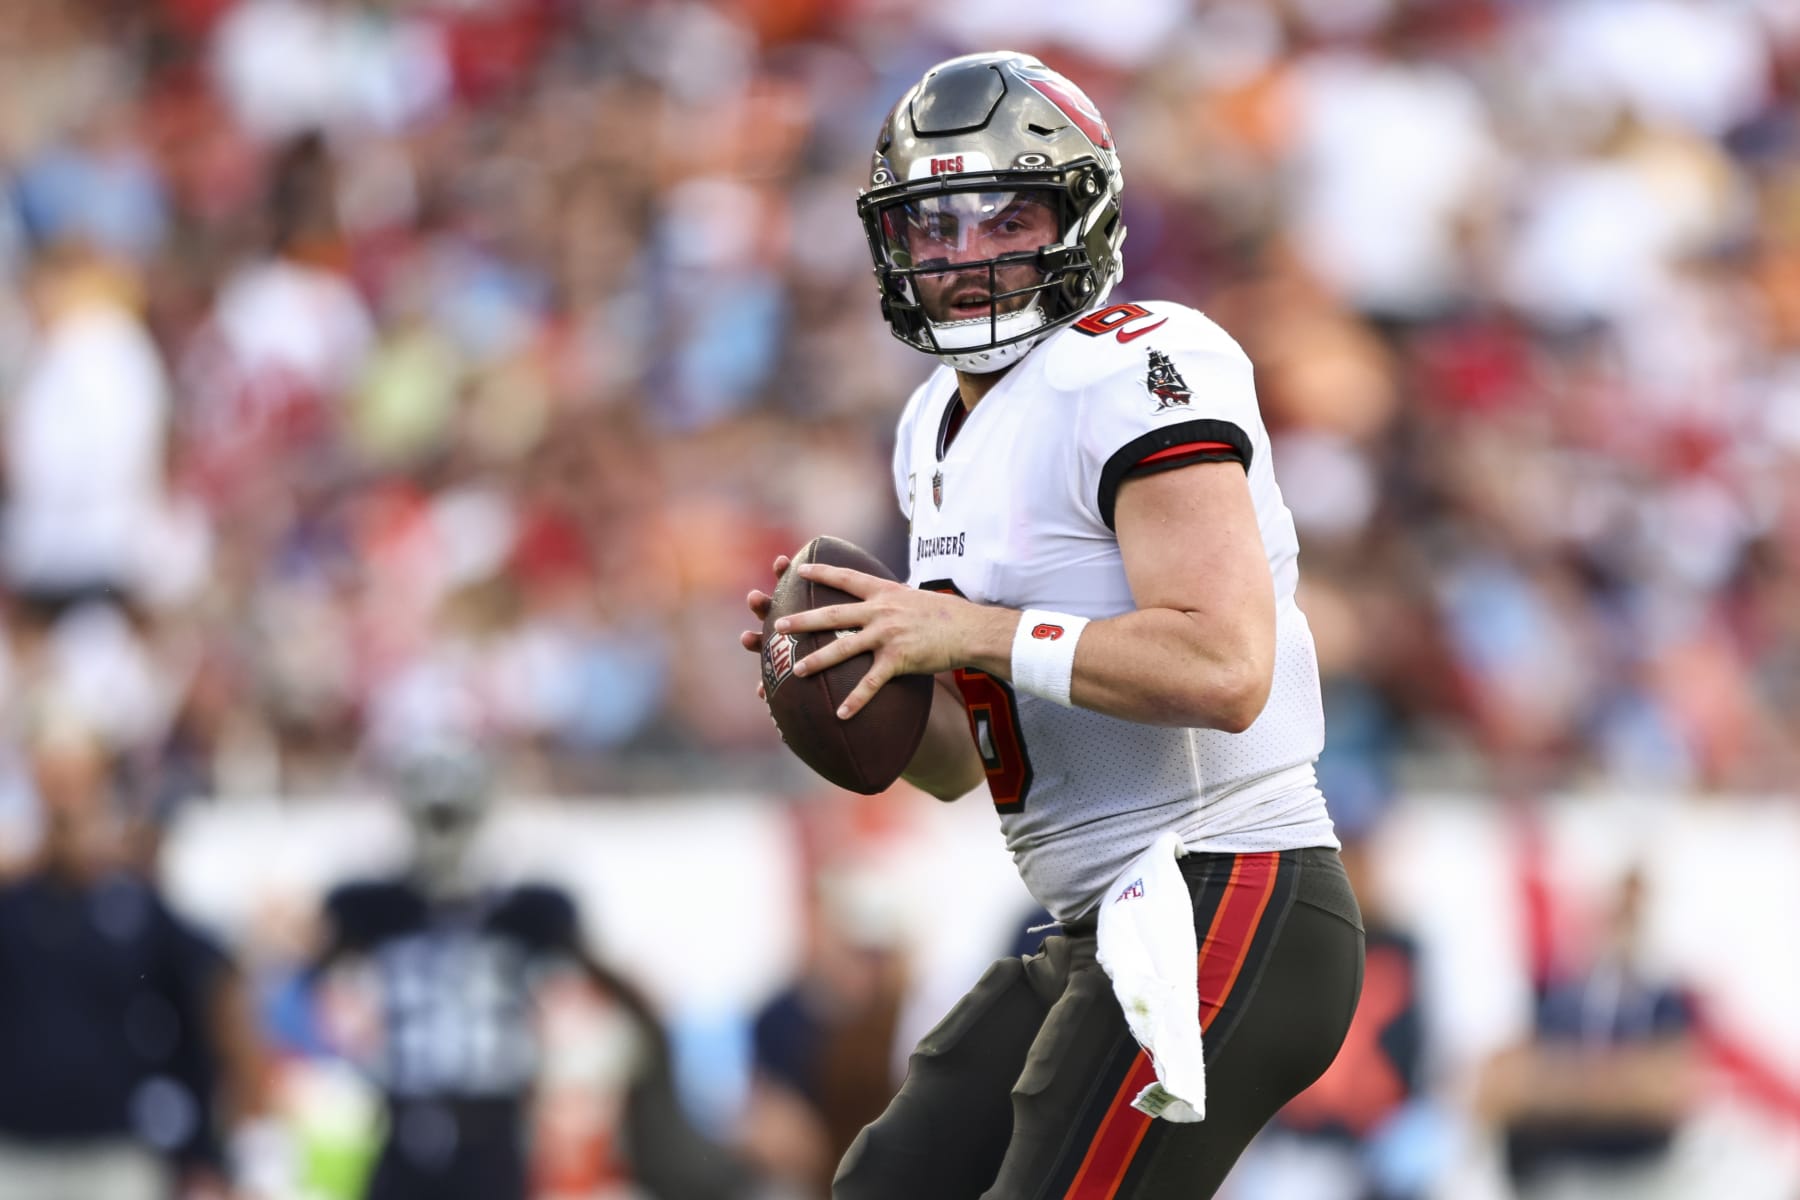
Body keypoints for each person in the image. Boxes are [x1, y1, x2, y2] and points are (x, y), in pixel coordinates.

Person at [740, 51, 1363, 1199]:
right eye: (935, 226)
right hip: (1093, 918)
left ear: (1081, 216)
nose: (967, 254)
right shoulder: (930, 425)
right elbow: (951, 772)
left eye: (1006, 215)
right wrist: (855, 670)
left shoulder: (1138, 366)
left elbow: (1224, 667)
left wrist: (963, 633)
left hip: (1230, 884)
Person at [311, 742, 749, 1200]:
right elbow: (304, 980)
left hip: (493, 1126)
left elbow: (605, 982)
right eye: (435, 815)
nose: (443, 831)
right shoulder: (373, 909)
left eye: (451, 815)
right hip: (402, 1119)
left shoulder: (528, 912)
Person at [0, 714, 268, 1200]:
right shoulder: (12, 897)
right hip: (15, 1151)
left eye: (76, 779)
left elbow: (216, 987)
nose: (65, 797)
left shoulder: (134, 899)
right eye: (52, 779)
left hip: (116, 1151)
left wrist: (229, 1149)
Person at [1476, 867, 1700, 1200]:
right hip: (1558, 1171)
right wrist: (1612, 1085)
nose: (1621, 924)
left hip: (1638, 1171)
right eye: (1615, 909)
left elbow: (1665, 1092)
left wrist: (1558, 1083)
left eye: (1631, 913)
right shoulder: (1559, 997)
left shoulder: (1666, 1001)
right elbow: (1498, 1088)